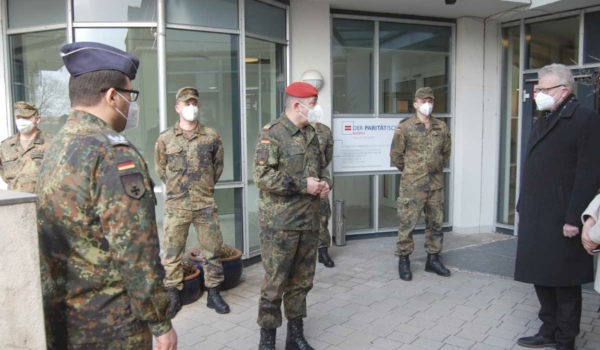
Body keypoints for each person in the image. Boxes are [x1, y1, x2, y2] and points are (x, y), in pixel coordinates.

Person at [36, 42, 177, 350]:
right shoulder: (112, 154)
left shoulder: (56, 147)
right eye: (130, 95)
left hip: (61, 319)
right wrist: (160, 322)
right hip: (111, 325)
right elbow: (134, 250)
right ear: (113, 96)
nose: (131, 104)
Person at [515, 64, 600, 350]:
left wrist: (574, 218)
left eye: (543, 89)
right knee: (541, 274)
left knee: (564, 282)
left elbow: (588, 173)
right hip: (537, 213)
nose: (537, 93)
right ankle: (548, 329)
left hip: (563, 215)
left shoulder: (585, 119)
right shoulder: (545, 117)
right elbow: (532, 166)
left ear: (563, 90)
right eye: (537, 88)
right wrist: (521, 205)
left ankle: (565, 339)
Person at [254, 82, 331, 350]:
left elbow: (321, 168)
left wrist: (324, 184)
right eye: (313, 102)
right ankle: (268, 341)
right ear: (297, 105)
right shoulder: (272, 134)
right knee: (275, 283)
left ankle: (295, 337)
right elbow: (263, 177)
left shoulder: (315, 134)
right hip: (281, 225)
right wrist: (303, 185)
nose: (317, 107)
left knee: (301, 282)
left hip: (309, 221)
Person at [155, 86, 230, 315]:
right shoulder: (166, 138)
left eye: (195, 103)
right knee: (171, 251)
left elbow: (217, 167)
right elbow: (161, 169)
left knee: (211, 250)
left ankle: (214, 293)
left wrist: (203, 187)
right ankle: (174, 294)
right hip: (177, 204)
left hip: (204, 203)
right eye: (187, 104)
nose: (191, 107)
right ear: (177, 108)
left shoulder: (211, 136)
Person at [389, 87, 452, 281]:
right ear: (415, 103)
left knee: (436, 223)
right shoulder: (405, 127)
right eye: (423, 101)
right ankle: (404, 260)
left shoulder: (441, 127)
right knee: (407, 224)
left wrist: (433, 167)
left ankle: (433, 259)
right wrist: (412, 171)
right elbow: (396, 155)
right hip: (413, 185)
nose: (427, 104)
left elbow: (446, 153)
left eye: (430, 101)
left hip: (435, 185)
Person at [0, 101, 53, 193]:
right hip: (15, 202)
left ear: (37, 119)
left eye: (26, 117)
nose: (21, 121)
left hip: (42, 201)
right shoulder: (5, 146)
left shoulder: (52, 143)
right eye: (18, 117)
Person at [312, 121, 335, 268]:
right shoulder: (283, 130)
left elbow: (327, 158)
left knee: (322, 216)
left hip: (319, 179)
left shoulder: (324, 131)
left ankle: (323, 251)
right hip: (294, 182)